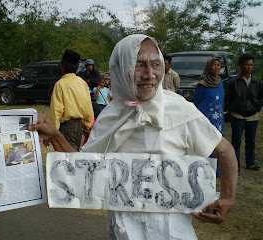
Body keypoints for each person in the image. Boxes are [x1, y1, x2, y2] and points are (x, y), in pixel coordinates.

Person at [30, 34, 238, 239]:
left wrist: (228, 198)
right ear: (120, 69)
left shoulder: (181, 109)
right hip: (123, 232)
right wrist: (56, 135)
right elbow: (83, 170)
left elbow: (225, 150)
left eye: (156, 64)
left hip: (174, 234)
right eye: (138, 64)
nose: (150, 74)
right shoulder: (110, 116)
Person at [49, 49, 94, 151]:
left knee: (66, 156)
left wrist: (52, 132)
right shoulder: (82, 83)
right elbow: (88, 105)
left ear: (63, 66)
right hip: (78, 126)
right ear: (77, 67)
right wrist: (88, 124)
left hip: (66, 127)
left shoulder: (60, 84)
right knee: (74, 152)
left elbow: (56, 111)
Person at [225, 53, 263, 172]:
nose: (249, 67)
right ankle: (236, 166)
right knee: (236, 142)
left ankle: (250, 163)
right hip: (238, 116)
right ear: (241, 65)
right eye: (247, 65)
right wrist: (232, 110)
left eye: (251, 65)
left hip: (253, 116)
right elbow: (228, 99)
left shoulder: (257, 82)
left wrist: (256, 107)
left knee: (250, 141)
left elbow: (261, 97)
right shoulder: (233, 82)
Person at [194, 58, 225, 177]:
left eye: (218, 65)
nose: (217, 68)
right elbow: (197, 102)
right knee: (206, 145)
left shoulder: (221, 82)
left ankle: (216, 171)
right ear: (208, 67)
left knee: (218, 145)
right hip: (206, 120)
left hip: (218, 120)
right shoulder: (202, 84)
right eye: (214, 65)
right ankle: (205, 170)